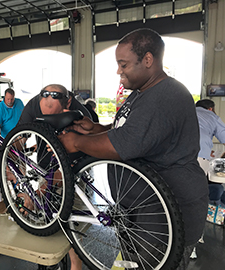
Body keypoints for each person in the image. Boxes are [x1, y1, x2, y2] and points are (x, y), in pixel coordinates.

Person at [58, 28, 208, 270]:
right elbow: (126, 128)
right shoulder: (142, 93)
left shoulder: (166, 95)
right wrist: (95, 128)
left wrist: (75, 142)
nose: (119, 70)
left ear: (147, 60)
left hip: (164, 218)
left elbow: (125, 143)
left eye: (123, 64)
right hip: (138, 213)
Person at [17, 84, 89, 270]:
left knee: (70, 224)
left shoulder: (81, 114)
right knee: (45, 220)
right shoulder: (33, 105)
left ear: (68, 103)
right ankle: (46, 261)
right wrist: (12, 165)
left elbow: (68, 168)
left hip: (74, 166)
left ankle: (76, 263)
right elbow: (18, 138)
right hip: (45, 163)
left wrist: (39, 192)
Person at [196, 99, 225, 206]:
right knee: (198, 191)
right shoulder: (213, 116)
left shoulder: (187, 112)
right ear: (210, 109)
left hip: (175, 153)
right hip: (200, 157)